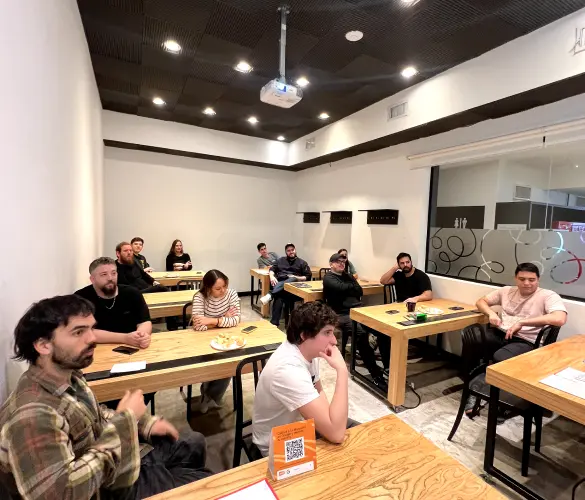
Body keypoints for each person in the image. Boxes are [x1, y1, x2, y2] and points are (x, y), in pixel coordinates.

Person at [0, 295, 211, 500]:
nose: (92, 338)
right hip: (104, 489)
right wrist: (125, 422)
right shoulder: (32, 415)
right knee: (209, 484)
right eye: (78, 332)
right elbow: (63, 493)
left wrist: (142, 423)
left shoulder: (69, 375)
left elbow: (95, 416)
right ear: (43, 345)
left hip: (112, 465)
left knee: (193, 441)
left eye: (91, 328)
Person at [252, 302, 359, 456]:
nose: (334, 341)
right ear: (304, 335)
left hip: (302, 426)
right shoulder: (287, 370)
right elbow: (336, 434)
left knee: (361, 432)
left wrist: (329, 422)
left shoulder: (308, 351)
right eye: (327, 333)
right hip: (277, 445)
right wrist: (342, 370)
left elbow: (320, 396)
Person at [464, 262, 568, 416]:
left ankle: (502, 400)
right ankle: (474, 390)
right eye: (522, 279)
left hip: (525, 340)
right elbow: (481, 301)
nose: (526, 283)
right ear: (516, 278)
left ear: (538, 279)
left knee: (501, 357)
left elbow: (559, 318)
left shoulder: (547, 295)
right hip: (501, 333)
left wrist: (523, 322)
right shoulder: (506, 291)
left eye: (531, 280)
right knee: (472, 342)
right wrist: (491, 314)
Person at [323, 253, 386, 390]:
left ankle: (387, 367)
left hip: (359, 309)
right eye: (338, 261)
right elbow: (341, 288)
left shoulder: (347, 276)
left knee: (384, 329)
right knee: (361, 334)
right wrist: (350, 286)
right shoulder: (328, 278)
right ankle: (375, 375)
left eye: (343, 262)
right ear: (331, 264)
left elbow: (360, 291)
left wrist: (349, 286)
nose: (341, 264)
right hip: (340, 314)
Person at [75, 257, 152, 349]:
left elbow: (144, 321)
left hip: (133, 345)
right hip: (98, 349)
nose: (110, 278)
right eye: (104, 274)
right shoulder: (81, 298)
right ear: (92, 279)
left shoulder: (132, 293)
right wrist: (125, 338)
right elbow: (85, 331)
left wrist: (142, 336)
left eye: (113, 273)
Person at [192, 269, 241, 413]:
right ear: (208, 288)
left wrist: (211, 320)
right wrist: (223, 318)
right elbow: (198, 326)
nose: (223, 290)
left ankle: (208, 396)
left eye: (225, 286)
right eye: (218, 288)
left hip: (226, 339)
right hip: (203, 340)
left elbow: (236, 319)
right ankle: (208, 395)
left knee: (230, 363)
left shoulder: (231, 293)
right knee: (211, 362)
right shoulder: (200, 297)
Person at [378, 252, 433, 371]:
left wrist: (415, 298)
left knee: (387, 331)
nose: (405, 265)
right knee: (382, 326)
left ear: (411, 262)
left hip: (414, 308)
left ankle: (389, 360)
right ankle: (386, 358)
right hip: (398, 306)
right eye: (402, 263)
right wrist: (394, 268)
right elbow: (383, 281)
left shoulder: (420, 276)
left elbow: (428, 294)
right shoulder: (398, 275)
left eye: (407, 262)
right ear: (399, 265)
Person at [115, 242, 178, 330]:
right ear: (118, 253)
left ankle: (172, 322)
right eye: (125, 251)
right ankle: (172, 325)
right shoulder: (116, 268)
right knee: (162, 289)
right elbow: (123, 287)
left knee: (164, 290)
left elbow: (144, 275)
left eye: (130, 250)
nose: (129, 253)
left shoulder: (134, 262)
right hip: (135, 294)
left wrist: (154, 281)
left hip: (146, 288)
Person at [260, 243, 312, 326]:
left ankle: (271, 294)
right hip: (282, 289)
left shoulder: (302, 263)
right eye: (288, 250)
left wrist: (297, 277)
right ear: (286, 252)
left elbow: (308, 276)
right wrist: (271, 276)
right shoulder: (280, 260)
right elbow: (272, 269)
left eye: (292, 250)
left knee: (292, 278)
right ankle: (274, 323)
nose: (291, 252)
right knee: (279, 297)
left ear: (295, 250)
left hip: (294, 290)